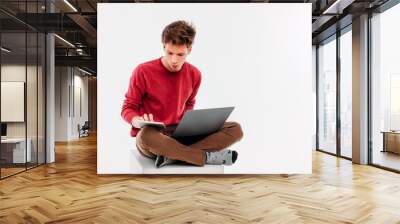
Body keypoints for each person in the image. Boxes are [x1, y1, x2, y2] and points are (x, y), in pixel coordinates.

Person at [121, 20, 243, 168]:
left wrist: (190, 126)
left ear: (189, 50)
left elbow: (189, 103)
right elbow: (128, 107)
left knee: (235, 129)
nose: (174, 60)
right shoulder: (143, 71)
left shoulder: (195, 74)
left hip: (180, 136)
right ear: (164, 46)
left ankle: (173, 156)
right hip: (154, 137)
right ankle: (203, 157)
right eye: (170, 53)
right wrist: (137, 120)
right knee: (146, 135)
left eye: (180, 54)